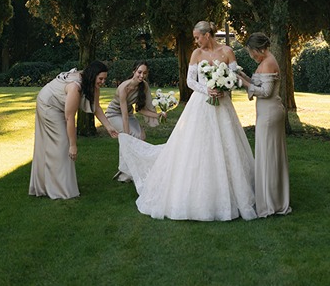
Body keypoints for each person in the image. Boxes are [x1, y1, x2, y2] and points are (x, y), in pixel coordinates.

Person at [117, 20, 256, 221]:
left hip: (223, 105)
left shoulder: (227, 51)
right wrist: (207, 89)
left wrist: (224, 89)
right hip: (200, 104)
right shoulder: (196, 54)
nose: (196, 41)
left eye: (198, 37)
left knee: (227, 145)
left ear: (207, 35)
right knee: (195, 146)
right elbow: (190, 81)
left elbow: (234, 77)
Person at [29, 60, 118, 199]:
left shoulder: (92, 85)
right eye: (101, 78)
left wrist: (109, 127)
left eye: (105, 79)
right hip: (48, 105)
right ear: (92, 75)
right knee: (63, 144)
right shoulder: (75, 88)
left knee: (61, 145)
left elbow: (96, 108)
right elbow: (70, 118)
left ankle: (58, 185)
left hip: (60, 105)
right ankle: (60, 189)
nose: (103, 82)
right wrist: (73, 145)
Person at [236, 32, 291, 217]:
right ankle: (272, 199)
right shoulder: (266, 61)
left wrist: (243, 83)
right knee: (268, 155)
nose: (252, 56)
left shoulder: (268, 63)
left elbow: (266, 92)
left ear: (259, 49)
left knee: (268, 157)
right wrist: (241, 75)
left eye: (252, 52)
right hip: (267, 113)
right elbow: (258, 84)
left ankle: (270, 204)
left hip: (269, 114)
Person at [105, 60, 163, 139]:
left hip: (129, 114)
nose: (142, 76)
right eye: (139, 72)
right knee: (134, 135)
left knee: (142, 136)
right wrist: (127, 137)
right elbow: (124, 116)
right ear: (134, 71)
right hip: (114, 114)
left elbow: (140, 110)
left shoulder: (144, 86)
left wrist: (158, 115)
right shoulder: (124, 88)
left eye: (144, 73)